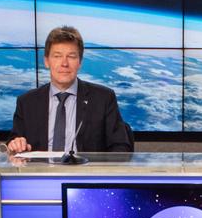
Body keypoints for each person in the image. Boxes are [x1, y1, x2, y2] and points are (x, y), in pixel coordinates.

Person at [8, 26, 133, 154]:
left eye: (71, 56)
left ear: (80, 62)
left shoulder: (103, 98)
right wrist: (16, 144)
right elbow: (14, 142)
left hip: (87, 172)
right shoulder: (27, 102)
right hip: (41, 173)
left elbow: (121, 147)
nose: (64, 63)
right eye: (57, 56)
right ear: (46, 61)